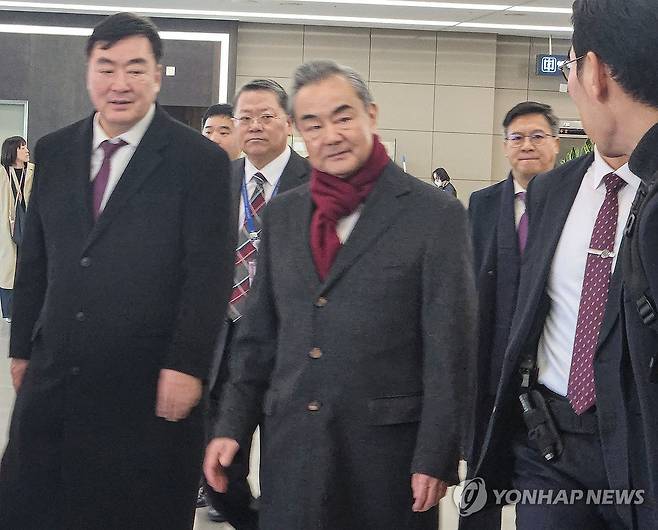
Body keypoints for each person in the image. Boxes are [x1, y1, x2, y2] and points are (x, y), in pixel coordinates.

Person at [204, 59, 477, 530]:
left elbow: (451, 348)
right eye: (313, 123)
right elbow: (259, 338)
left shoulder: (435, 215)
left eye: (343, 116)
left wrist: (436, 454)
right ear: (300, 133)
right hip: (293, 450)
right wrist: (231, 426)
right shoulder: (284, 216)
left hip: (388, 456)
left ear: (371, 115)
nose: (330, 134)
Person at [0, 12, 234, 530]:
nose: (119, 83)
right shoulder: (55, 151)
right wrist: (21, 349)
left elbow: (209, 273)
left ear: (157, 75)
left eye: (135, 68)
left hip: (149, 379)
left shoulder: (199, 162)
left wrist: (188, 365)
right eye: (106, 67)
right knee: (30, 504)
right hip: (56, 372)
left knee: (133, 508)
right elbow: (36, 258)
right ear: (88, 72)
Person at [471, 1, 658, 527]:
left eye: (572, 66)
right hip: (550, 444)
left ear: (593, 73)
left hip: (639, 445)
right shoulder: (553, 191)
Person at [203, 79, 310, 528]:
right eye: (244, 118)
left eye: (267, 116)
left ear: (288, 121)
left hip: (291, 347)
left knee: (291, 469)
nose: (255, 126)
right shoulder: (216, 183)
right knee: (219, 469)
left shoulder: (316, 182)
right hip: (224, 342)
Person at [461, 101, 559, 529]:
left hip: (551, 370)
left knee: (548, 492)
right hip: (491, 368)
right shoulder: (481, 205)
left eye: (538, 136)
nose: (527, 145)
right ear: (504, 147)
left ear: (555, 144)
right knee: (483, 479)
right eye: (517, 137)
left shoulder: (574, 205)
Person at [0, 136, 33, 322]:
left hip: (29, 223)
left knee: (27, 266)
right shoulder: (2, 172)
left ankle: (26, 308)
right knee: (7, 269)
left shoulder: (33, 170)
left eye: (26, 147)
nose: (26, 150)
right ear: (12, 151)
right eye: (22, 147)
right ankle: (8, 311)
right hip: (6, 225)